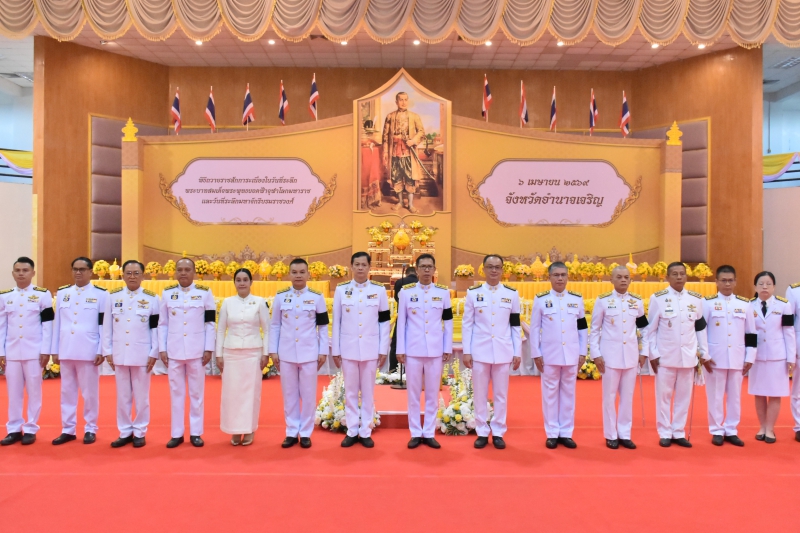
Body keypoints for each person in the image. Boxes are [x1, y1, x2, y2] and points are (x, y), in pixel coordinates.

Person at [647, 262, 710, 448]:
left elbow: (700, 329)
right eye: (674, 274)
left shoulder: (696, 299)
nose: (679, 277)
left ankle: (678, 431)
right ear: (667, 277)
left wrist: (704, 353)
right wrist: (653, 354)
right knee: (663, 397)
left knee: (684, 397)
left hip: (688, 357)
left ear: (686, 276)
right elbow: (651, 329)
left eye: (682, 273)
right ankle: (665, 432)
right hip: (665, 356)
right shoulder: (658, 298)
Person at [331, 251, 390, 448]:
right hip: (348, 349)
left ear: (369, 267)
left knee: (367, 392)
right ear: (351, 266)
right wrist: (336, 350)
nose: (360, 268)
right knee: (350, 392)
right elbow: (337, 322)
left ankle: (365, 431)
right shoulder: (342, 290)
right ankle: (351, 430)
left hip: (370, 349)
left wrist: (383, 349)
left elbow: (384, 321)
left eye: (364, 265)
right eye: (357, 264)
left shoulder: (379, 290)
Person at [462, 254, 521, 450]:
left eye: (497, 267)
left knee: (501, 394)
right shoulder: (473, 293)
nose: (494, 270)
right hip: (480, 351)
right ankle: (481, 431)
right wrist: (467, 351)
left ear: (502, 270)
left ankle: (498, 431)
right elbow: (467, 324)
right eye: (490, 267)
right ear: (484, 269)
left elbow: (515, 325)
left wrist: (517, 351)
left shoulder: (511, 294)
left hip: (503, 351)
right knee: (480, 394)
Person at [270, 259, 329, 449]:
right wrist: (273, 350)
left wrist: (323, 350)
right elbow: (275, 325)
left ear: (308, 274)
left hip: (309, 353)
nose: (298, 276)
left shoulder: (317, 297)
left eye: (302, 272)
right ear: (289, 274)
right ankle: (291, 431)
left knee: (308, 395)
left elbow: (323, 326)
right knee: (289, 394)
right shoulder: (281, 297)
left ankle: (305, 433)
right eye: (294, 272)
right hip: (286, 353)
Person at [396, 254, 453, 449]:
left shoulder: (443, 293)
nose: (427, 270)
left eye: (430, 267)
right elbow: (401, 322)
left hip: (435, 350)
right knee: (413, 395)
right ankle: (415, 432)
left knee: (432, 394)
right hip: (413, 350)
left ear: (434, 270)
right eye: (423, 267)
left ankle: (428, 432)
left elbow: (448, 322)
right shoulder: (406, 292)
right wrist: (400, 348)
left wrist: (447, 347)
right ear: (417, 269)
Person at [158, 258, 216, 448]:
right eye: (180, 269)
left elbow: (210, 323)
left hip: (197, 351)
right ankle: (176, 433)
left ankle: (196, 433)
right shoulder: (167, 294)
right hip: (174, 351)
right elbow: (162, 324)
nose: (183, 273)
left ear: (194, 272)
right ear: (175, 272)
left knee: (196, 394)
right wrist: (162, 348)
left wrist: (209, 348)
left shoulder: (204, 293)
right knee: (176, 394)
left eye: (187, 269)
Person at [589, 265, 648, 450]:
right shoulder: (603, 301)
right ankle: (611, 434)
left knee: (627, 397)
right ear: (611, 280)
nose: (623, 280)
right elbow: (594, 329)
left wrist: (644, 352)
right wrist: (596, 354)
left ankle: (624, 434)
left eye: (626, 277)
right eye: (619, 277)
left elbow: (644, 329)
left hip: (630, 356)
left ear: (631, 280)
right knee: (609, 397)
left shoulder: (637, 301)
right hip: (610, 357)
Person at [51, 257, 108, 445]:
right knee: (67, 392)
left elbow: (103, 324)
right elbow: (58, 323)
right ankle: (68, 429)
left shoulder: (101, 294)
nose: (78, 272)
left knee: (89, 393)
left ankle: (90, 428)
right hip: (66, 348)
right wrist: (54, 349)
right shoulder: (63, 293)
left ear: (90, 272)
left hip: (88, 349)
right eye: (75, 269)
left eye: (82, 269)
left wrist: (101, 349)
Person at [102, 260, 159, 448]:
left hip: (142, 353)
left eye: (136, 273)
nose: (132, 277)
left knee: (142, 397)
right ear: (123, 275)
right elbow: (107, 327)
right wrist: (107, 350)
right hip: (120, 353)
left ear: (143, 276)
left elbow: (155, 328)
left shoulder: (152, 298)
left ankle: (140, 431)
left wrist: (154, 351)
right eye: (128, 273)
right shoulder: (113, 297)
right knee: (123, 396)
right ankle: (125, 431)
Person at [530, 262, 588, 449]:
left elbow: (582, 328)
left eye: (563, 275)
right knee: (550, 394)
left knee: (569, 394)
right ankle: (552, 433)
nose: (560, 278)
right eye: (556, 275)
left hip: (571, 354)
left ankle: (566, 432)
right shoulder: (541, 299)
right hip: (549, 355)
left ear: (568, 276)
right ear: (549, 277)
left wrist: (582, 351)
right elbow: (534, 328)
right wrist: (536, 352)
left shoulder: (576, 299)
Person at [0, 257, 53, 446]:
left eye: (25, 270)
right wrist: (1, 351)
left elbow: (48, 324)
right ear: (13, 273)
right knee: (13, 393)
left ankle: (31, 428)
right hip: (12, 351)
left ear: (33, 273)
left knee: (34, 391)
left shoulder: (42, 294)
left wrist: (46, 350)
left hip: (34, 351)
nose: (21, 273)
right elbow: (1, 326)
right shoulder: (5, 296)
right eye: (18, 270)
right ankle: (14, 429)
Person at [702, 265, 756, 447]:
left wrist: (750, 357)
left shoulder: (744, 304)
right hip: (714, 358)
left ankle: (731, 429)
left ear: (735, 282)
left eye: (730, 280)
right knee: (715, 396)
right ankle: (716, 430)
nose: (727, 284)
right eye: (723, 280)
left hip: (737, 357)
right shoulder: (707, 303)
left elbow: (751, 334)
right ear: (716, 282)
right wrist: (704, 355)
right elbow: (701, 331)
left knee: (735, 397)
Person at [216, 268, 269, 446]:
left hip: (253, 353)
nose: (242, 283)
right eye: (238, 280)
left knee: (251, 393)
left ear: (251, 282)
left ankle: (249, 429)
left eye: (245, 279)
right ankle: (234, 429)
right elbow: (221, 330)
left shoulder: (259, 302)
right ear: (234, 283)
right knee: (232, 394)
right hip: (231, 353)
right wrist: (219, 354)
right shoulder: (227, 303)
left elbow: (267, 330)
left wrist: (265, 353)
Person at [749, 271, 796, 443]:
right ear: (755, 286)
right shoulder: (749, 305)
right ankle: (762, 426)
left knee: (775, 394)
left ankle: (770, 428)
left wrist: (791, 358)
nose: (765, 287)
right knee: (759, 393)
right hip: (757, 356)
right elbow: (747, 333)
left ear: (774, 287)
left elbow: (789, 332)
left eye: (768, 284)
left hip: (778, 356)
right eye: (761, 284)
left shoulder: (784, 305)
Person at [382, 91, 425, 213]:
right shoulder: (390, 116)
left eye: (406, 99)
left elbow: (421, 132)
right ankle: (400, 202)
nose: (403, 102)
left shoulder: (415, 116)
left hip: (408, 152)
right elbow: (385, 136)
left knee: (410, 177)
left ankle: (410, 204)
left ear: (408, 101)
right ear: (396, 102)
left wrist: (413, 141)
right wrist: (385, 152)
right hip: (394, 152)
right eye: (401, 99)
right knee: (396, 177)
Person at [390, 266, 417, 369]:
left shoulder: (399, 282)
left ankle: (393, 368)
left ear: (406, 273)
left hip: (401, 315)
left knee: (396, 342)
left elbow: (396, 298)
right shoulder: (419, 282)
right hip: (416, 318)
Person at [784, 280, 800, 442]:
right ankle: (799, 425)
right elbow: (789, 324)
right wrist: (791, 350)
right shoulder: (795, 291)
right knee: (798, 390)